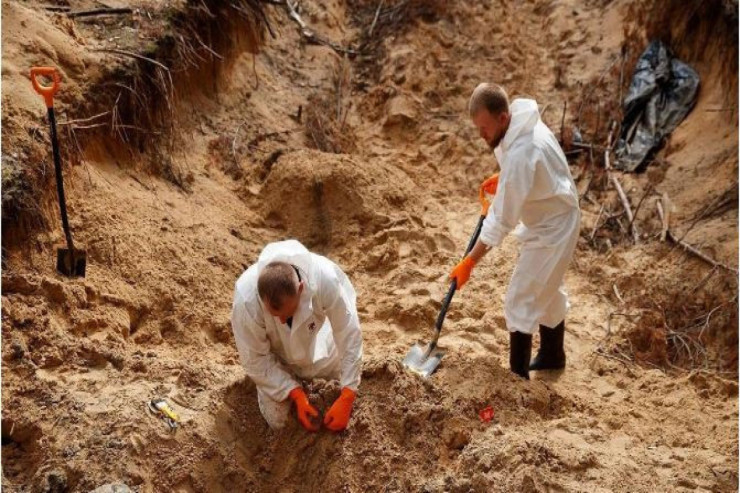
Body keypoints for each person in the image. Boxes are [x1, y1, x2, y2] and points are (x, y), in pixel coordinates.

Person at [450, 83, 581, 380]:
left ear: (503, 117)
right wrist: (505, 176)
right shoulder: (522, 126)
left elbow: (501, 220)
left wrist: (469, 261)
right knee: (547, 290)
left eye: (484, 128)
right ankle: (552, 355)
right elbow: (533, 169)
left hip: (554, 227)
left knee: (520, 298)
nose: (481, 135)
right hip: (549, 215)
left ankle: (517, 378)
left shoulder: (522, 150)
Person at [230, 239, 363, 431]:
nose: (282, 321)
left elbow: (348, 333)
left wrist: (348, 394)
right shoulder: (246, 301)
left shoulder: (326, 279)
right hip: (278, 362)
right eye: (275, 316)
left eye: (287, 314)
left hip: (322, 350)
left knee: (350, 397)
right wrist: (294, 393)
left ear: (300, 288)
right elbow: (255, 359)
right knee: (281, 422)